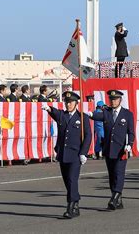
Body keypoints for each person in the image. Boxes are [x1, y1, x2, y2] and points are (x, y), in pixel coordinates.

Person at [41, 91, 91, 219]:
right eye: (66, 102)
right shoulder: (62, 115)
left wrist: (84, 153)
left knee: (72, 179)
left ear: (76, 103)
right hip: (63, 154)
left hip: (75, 154)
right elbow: (55, 113)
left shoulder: (82, 117)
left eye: (71, 102)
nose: (68, 105)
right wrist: (49, 108)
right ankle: (76, 203)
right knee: (67, 181)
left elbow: (88, 136)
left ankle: (70, 206)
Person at [88, 90, 135, 210]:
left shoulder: (127, 114)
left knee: (119, 173)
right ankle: (118, 199)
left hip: (121, 149)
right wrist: (90, 114)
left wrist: (129, 144)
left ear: (120, 100)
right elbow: (97, 116)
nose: (113, 101)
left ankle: (115, 197)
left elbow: (131, 132)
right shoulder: (106, 112)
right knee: (112, 174)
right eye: (111, 99)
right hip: (109, 149)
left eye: (115, 99)